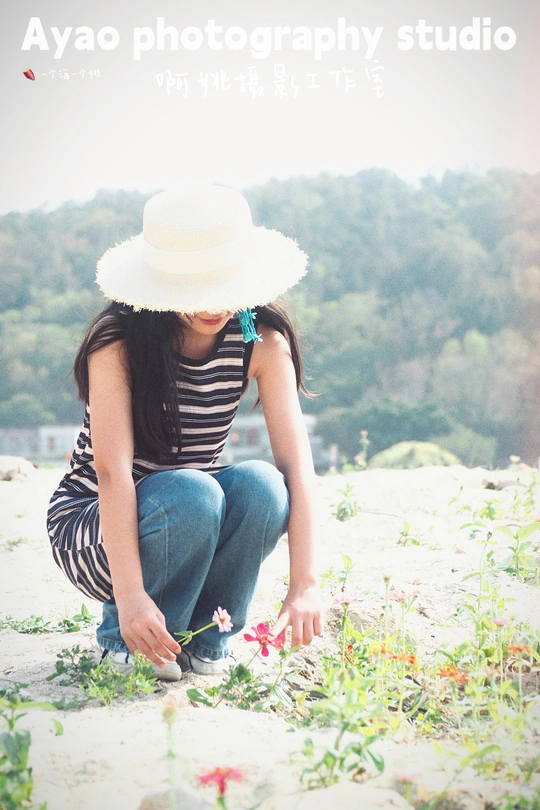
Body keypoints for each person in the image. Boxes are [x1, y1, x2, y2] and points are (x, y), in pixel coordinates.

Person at [46, 185, 322, 681]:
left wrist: (304, 582)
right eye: (196, 289)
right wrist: (130, 598)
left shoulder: (261, 339)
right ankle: (124, 644)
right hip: (97, 527)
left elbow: (297, 468)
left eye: (224, 284)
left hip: (194, 515)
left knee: (262, 485)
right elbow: (111, 474)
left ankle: (205, 642)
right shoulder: (118, 342)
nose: (214, 305)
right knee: (193, 492)